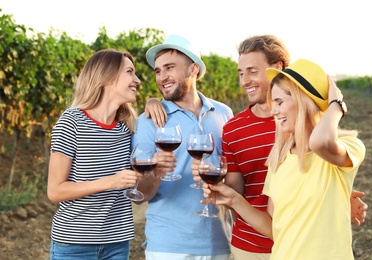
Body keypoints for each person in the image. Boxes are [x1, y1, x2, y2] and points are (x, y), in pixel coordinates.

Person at [201, 58, 366, 259]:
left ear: (303, 100)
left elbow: (320, 142)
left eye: (279, 102)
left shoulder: (348, 147)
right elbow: (273, 226)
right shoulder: (279, 159)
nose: (274, 110)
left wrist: (336, 105)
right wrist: (234, 200)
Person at [131, 34, 234, 259]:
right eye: (158, 71)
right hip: (169, 246)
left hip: (220, 243)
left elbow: (233, 172)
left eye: (169, 68)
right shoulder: (149, 120)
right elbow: (141, 193)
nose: (162, 77)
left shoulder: (224, 113)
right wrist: (157, 173)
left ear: (193, 69)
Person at [47, 49, 145, 259]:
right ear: (107, 78)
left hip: (117, 244)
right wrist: (112, 182)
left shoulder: (126, 128)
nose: (137, 80)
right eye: (130, 72)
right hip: (74, 245)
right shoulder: (71, 123)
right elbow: (55, 191)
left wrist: (155, 103)